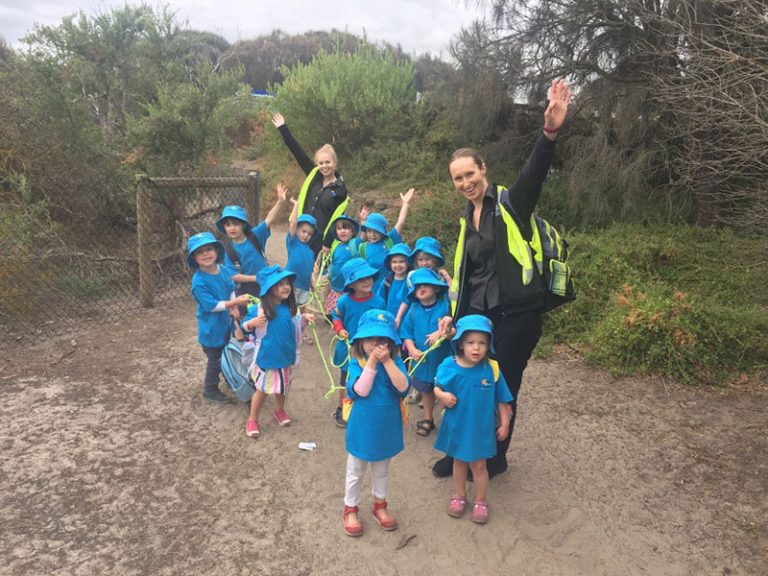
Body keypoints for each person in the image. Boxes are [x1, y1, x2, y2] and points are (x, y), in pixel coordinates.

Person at [433, 78, 572, 479]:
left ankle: (495, 455)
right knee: (463, 379)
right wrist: (453, 317)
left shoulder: (512, 203)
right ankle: (459, 453)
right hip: (479, 317)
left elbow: (536, 172)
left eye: (469, 174)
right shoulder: (465, 221)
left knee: (500, 385)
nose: (464, 183)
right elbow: (467, 277)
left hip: (518, 316)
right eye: (457, 178)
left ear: (483, 169)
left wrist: (549, 132)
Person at [433, 315, 512, 524]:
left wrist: (505, 423)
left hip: (481, 429)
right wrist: (442, 397)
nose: (476, 348)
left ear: (489, 345)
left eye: (482, 343)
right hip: (458, 426)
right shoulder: (449, 366)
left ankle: (480, 501)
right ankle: (459, 496)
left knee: (479, 466)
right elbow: (436, 387)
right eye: (470, 343)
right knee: (459, 463)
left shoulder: (491, 368)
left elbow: (502, 399)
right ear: (460, 343)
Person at [342, 309, 410, 537]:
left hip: (386, 429)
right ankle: (350, 508)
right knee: (355, 471)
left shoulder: (396, 362)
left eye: (383, 339)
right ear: (360, 341)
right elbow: (360, 390)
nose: (377, 344)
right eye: (371, 338)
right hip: (362, 428)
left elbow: (402, 387)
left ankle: (379, 505)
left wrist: (388, 361)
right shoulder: (356, 363)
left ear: (392, 343)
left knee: (381, 471)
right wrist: (371, 362)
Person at [241, 265, 314, 437]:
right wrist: (251, 324)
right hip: (267, 358)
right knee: (262, 390)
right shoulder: (259, 309)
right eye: (280, 283)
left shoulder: (288, 310)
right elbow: (244, 326)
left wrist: (303, 320)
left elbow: (295, 331)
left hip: (285, 358)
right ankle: (252, 419)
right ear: (268, 288)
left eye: (287, 282)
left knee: (281, 387)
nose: (286, 286)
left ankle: (279, 410)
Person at [272, 112, 350, 256]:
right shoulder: (314, 175)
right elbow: (298, 152)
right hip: (300, 232)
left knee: (314, 275)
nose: (324, 166)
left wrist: (327, 243)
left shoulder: (340, 190)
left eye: (328, 162)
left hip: (319, 241)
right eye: (321, 163)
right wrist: (283, 128)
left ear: (334, 162)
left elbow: (336, 220)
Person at [187, 232, 250, 403]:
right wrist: (234, 303)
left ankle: (230, 377)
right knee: (215, 360)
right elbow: (212, 306)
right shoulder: (199, 282)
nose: (206, 254)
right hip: (211, 328)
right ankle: (211, 389)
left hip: (225, 323)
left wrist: (234, 306)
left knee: (227, 352)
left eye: (209, 249)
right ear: (194, 257)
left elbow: (230, 288)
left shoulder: (222, 270)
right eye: (200, 252)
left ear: (216, 250)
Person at [330, 258, 386, 428]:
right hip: (348, 349)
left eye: (369, 277)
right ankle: (342, 407)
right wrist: (339, 329)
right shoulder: (344, 301)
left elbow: (383, 323)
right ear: (351, 284)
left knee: (369, 378)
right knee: (346, 380)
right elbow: (336, 316)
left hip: (370, 349)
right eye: (361, 278)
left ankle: (366, 408)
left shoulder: (378, 302)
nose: (367, 281)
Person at [399, 268, 453, 437]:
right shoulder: (413, 310)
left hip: (443, 361)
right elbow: (406, 333)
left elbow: (453, 328)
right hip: (422, 361)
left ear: (436, 288)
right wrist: (412, 349)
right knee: (426, 391)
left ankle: (449, 422)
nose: (421, 288)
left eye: (426, 285)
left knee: (446, 390)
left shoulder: (445, 306)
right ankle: (428, 419)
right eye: (417, 286)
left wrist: (441, 332)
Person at [216, 184, 289, 298]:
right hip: (245, 290)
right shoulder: (228, 249)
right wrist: (256, 278)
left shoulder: (255, 235)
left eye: (236, 224)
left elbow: (269, 220)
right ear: (224, 227)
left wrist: (280, 201)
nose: (232, 228)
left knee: (268, 311)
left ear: (243, 225)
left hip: (265, 284)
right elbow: (233, 275)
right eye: (228, 225)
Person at [357, 187, 415, 291]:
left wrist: (405, 204)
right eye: (369, 231)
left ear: (382, 231)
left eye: (376, 231)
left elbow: (400, 222)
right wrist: (363, 221)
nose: (372, 235)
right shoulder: (363, 248)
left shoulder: (389, 240)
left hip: (392, 288)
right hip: (372, 291)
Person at [286, 192, 317, 343]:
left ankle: (301, 332)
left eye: (309, 234)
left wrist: (312, 282)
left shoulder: (311, 252)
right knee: (290, 308)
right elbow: (292, 223)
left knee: (303, 309)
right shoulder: (293, 242)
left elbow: (310, 269)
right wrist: (296, 205)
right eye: (303, 231)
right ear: (297, 230)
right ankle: (288, 332)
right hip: (291, 284)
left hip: (304, 286)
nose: (305, 235)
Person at [322, 214, 360, 316]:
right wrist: (327, 277)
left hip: (347, 287)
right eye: (339, 228)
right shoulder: (337, 247)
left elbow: (363, 237)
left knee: (344, 309)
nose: (343, 231)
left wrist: (363, 219)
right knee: (331, 310)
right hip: (336, 287)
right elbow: (333, 265)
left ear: (352, 232)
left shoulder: (353, 244)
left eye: (346, 228)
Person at [374, 242, 410, 321]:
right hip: (389, 317)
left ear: (408, 263)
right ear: (390, 263)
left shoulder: (410, 280)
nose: (398, 265)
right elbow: (379, 299)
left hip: (407, 319)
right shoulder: (388, 280)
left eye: (402, 261)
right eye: (394, 262)